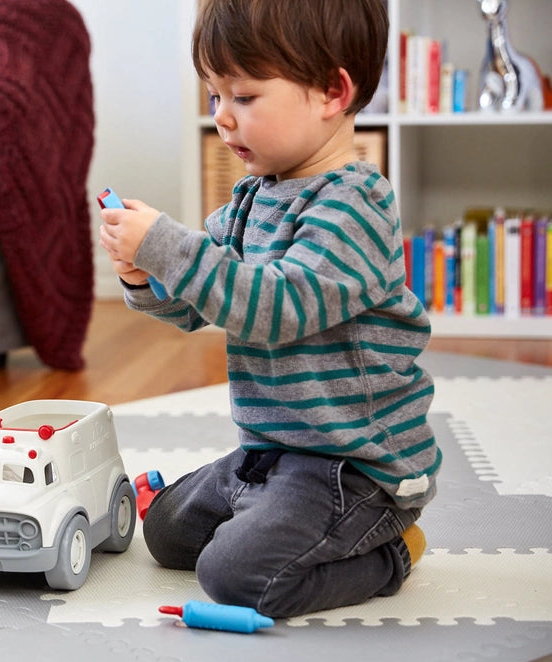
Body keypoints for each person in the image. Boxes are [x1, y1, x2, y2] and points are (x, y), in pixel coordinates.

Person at [98, 0, 441, 619]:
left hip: (353, 466)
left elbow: (273, 307)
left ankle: (394, 551)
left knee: (234, 576)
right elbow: (202, 301)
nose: (223, 119)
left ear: (332, 92)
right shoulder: (252, 198)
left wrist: (172, 247)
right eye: (213, 97)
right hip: (274, 448)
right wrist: (148, 276)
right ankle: (266, 508)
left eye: (244, 98)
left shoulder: (355, 207)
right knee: (167, 534)